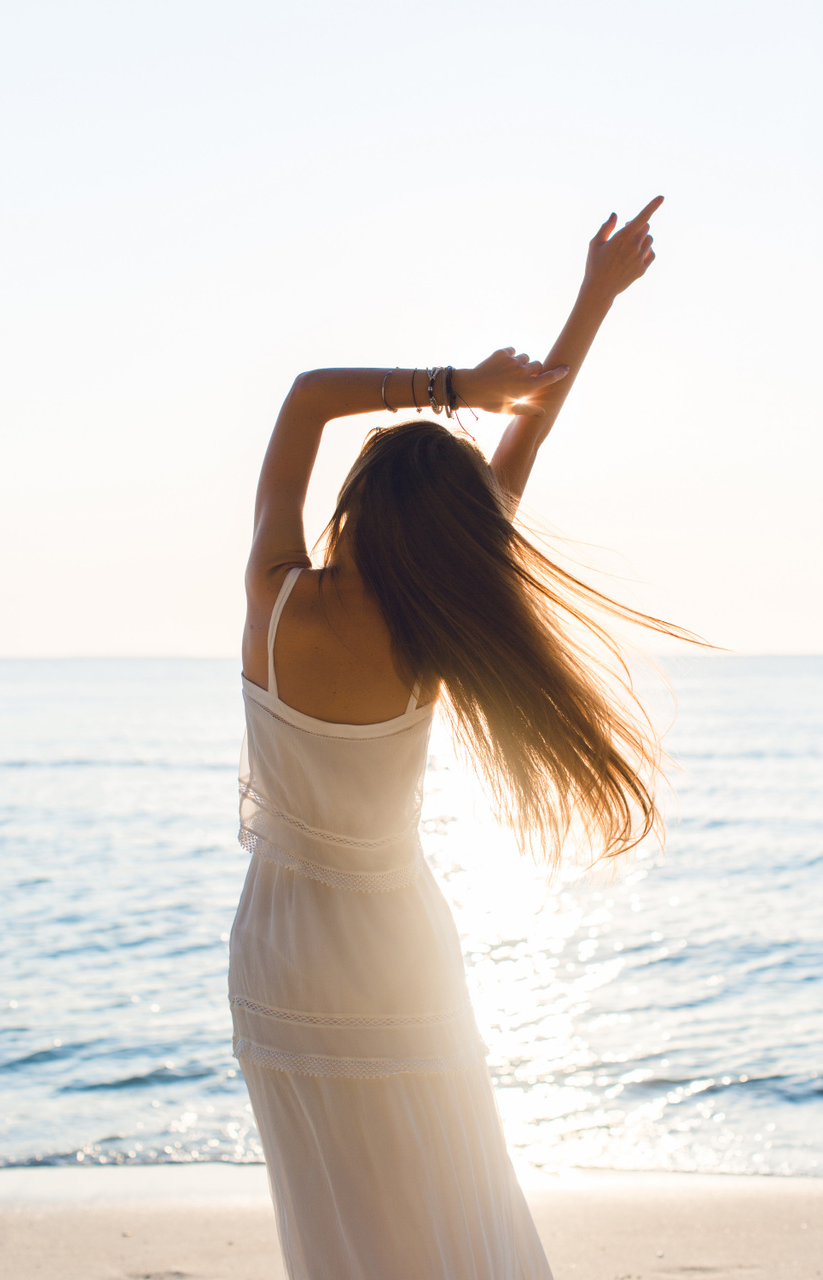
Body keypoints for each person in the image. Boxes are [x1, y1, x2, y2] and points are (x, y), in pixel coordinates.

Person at [229, 196, 677, 1280]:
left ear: (356, 505)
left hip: (277, 954)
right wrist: (592, 302)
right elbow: (529, 442)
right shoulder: (436, 622)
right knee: (444, 1195)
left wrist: (450, 389)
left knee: (333, 1217)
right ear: (452, 532)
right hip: (395, 952)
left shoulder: (275, 597)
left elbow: (302, 399)